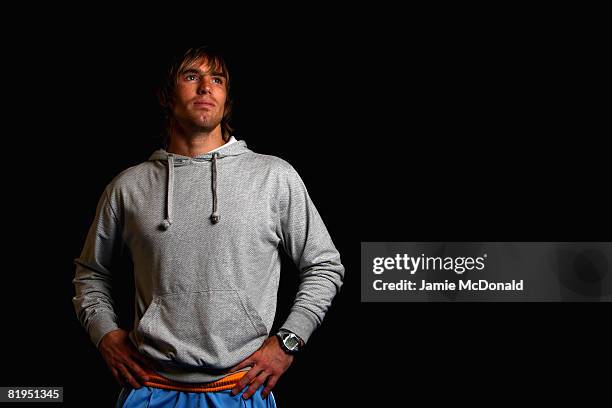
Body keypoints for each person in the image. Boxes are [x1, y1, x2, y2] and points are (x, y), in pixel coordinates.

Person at [72, 46, 345, 408]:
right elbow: (90, 273)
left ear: (226, 98)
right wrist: (105, 333)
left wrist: (288, 341)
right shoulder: (128, 186)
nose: (205, 87)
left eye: (216, 79)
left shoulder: (273, 177)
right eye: (191, 76)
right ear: (166, 96)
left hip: (241, 388)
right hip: (150, 390)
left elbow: (325, 265)